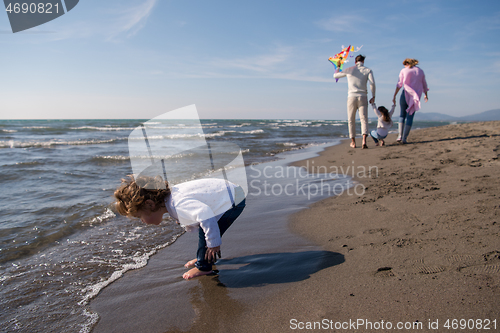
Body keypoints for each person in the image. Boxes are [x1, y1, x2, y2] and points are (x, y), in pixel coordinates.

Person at [114, 176, 246, 280]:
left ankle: (204, 266)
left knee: (208, 233)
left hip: (234, 199)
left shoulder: (177, 204)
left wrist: (214, 242)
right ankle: (204, 258)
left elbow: (204, 213)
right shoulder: (171, 199)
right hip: (231, 192)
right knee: (205, 228)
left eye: (140, 217)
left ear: (150, 204)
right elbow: (196, 209)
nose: (142, 221)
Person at [334, 54, 376, 149]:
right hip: (363, 96)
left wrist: (338, 66)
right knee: (363, 119)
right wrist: (373, 96)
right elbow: (372, 84)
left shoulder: (350, 69)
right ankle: (364, 141)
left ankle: (353, 142)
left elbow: (335, 75)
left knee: (351, 120)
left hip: (351, 96)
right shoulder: (368, 70)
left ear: (355, 62)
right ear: (363, 61)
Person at [392, 58, 429, 144]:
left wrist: (394, 95)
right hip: (415, 96)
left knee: (402, 115)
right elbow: (424, 84)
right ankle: (404, 138)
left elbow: (399, 84)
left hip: (406, 94)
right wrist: (426, 94)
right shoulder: (421, 71)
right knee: (410, 116)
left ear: (407, 63)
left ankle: (399, 136)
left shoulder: (404, 70)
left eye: (404, 64)